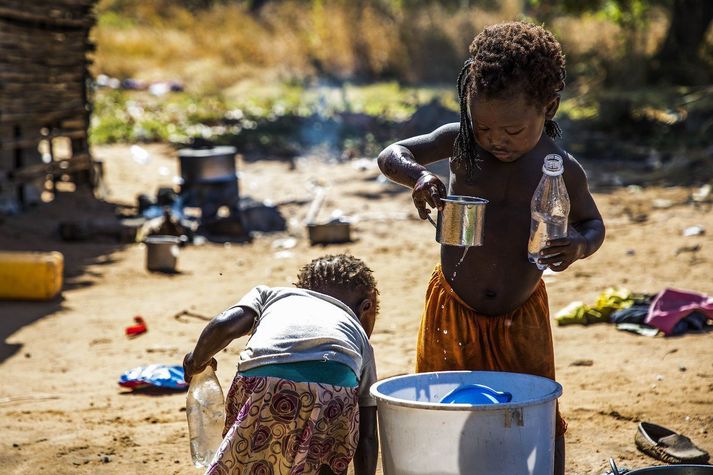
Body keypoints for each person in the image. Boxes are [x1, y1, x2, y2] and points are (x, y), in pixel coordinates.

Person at [377, 21, 605, 475]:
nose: (496, 139)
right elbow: (391, 154)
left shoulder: (558, 169)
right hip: (452, 308)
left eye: (512, 130)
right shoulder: (460, 145)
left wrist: (578, 246)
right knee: (443, 406)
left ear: (549, 108)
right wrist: (419, 176)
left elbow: (593, 224)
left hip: (522, 315)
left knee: (535, 408)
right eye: (483, 126)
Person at [183, 253, 379, 475]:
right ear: (365, 307)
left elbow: (224, 326)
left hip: (262, 383)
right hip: (333, 385)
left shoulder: (272, 295)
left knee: (249, 458)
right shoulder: (361, 342)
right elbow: (367, 436)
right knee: (330, 450)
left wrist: (196, 360)